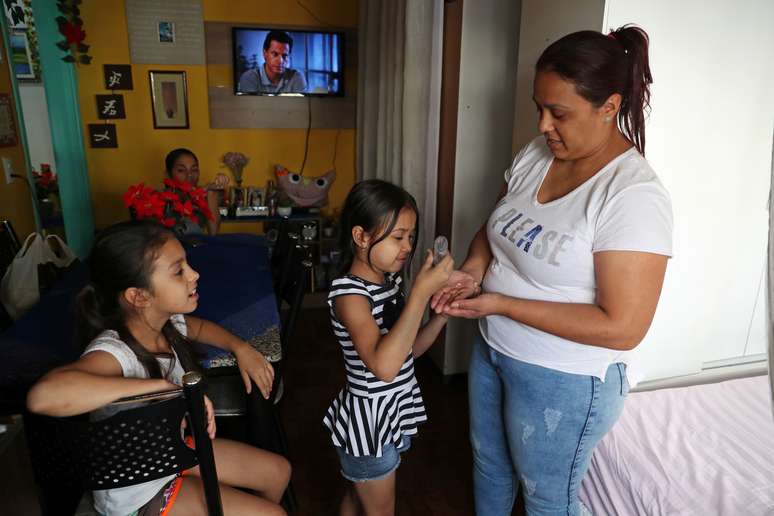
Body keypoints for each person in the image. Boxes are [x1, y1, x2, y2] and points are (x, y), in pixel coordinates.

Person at [431, 25, 673, 515]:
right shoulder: (537, 155)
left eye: (558, 113)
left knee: (547, 500)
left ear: (609, 106)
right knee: (489, 466)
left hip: (562, 380)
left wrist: (500, 303)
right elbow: (497, 226)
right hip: (493, 350)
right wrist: (475, 269)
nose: (543, 125)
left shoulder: (633, 197)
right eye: (539, 108)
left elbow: (623, 328)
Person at [26, 220, 291, 516]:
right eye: (179, 271)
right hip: (139, 490)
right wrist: (167, 390)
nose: (194, 275)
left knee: (278, 471)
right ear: (139, 297)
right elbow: (43, 396)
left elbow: (199, 327)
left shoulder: (165, 325)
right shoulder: (117, 352)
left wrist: (241, 348)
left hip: (168, 452)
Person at [323, 179, 453, 516]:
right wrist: (420, 295)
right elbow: (383, 366)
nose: (407, 246)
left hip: (391, 412)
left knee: (358, 496)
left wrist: (439, 317)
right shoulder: (350, 296)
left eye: (410, 236)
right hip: (369, 423)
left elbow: (407, 352)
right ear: (361, 236)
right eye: (397, 237)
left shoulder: (388, 283)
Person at [165, 148, 229, 235]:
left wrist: (211, 193)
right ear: (168, 174)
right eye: (181, 170)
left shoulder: (203, 196)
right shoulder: (158, 199)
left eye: (194, 169)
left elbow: (214, 233)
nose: (189, 175)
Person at [238, 30, 307, 94]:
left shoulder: (296, 77)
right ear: (265, 54)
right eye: (275, 54)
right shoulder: (249, 78)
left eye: (285, 55)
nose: (280, 61)